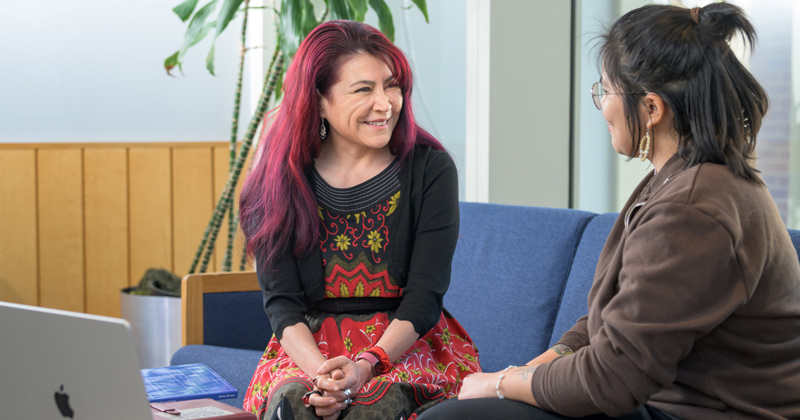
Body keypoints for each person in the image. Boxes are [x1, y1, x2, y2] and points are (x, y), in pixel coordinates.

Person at [419, 3, 800, 420]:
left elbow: (612, 378)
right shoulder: (680, 178)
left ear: (652, 109)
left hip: (703, 413)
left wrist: (498, 383)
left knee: (449, 418)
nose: (601, 107)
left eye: (605, 91)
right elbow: (618, 320)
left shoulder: (695, 208)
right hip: (656, 401)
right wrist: (531, 368)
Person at [238, 20, 480, 420]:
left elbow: (425, 298)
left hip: (404, 345)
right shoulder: (278, 178)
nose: (385, 103)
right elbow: (282, 304)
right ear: (318, 100)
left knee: (371, 407)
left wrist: (365, 367)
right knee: (295, 406)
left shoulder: (431, 170)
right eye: (364, 89)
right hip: (309, 351)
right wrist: (323, 376)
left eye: (392, 85)